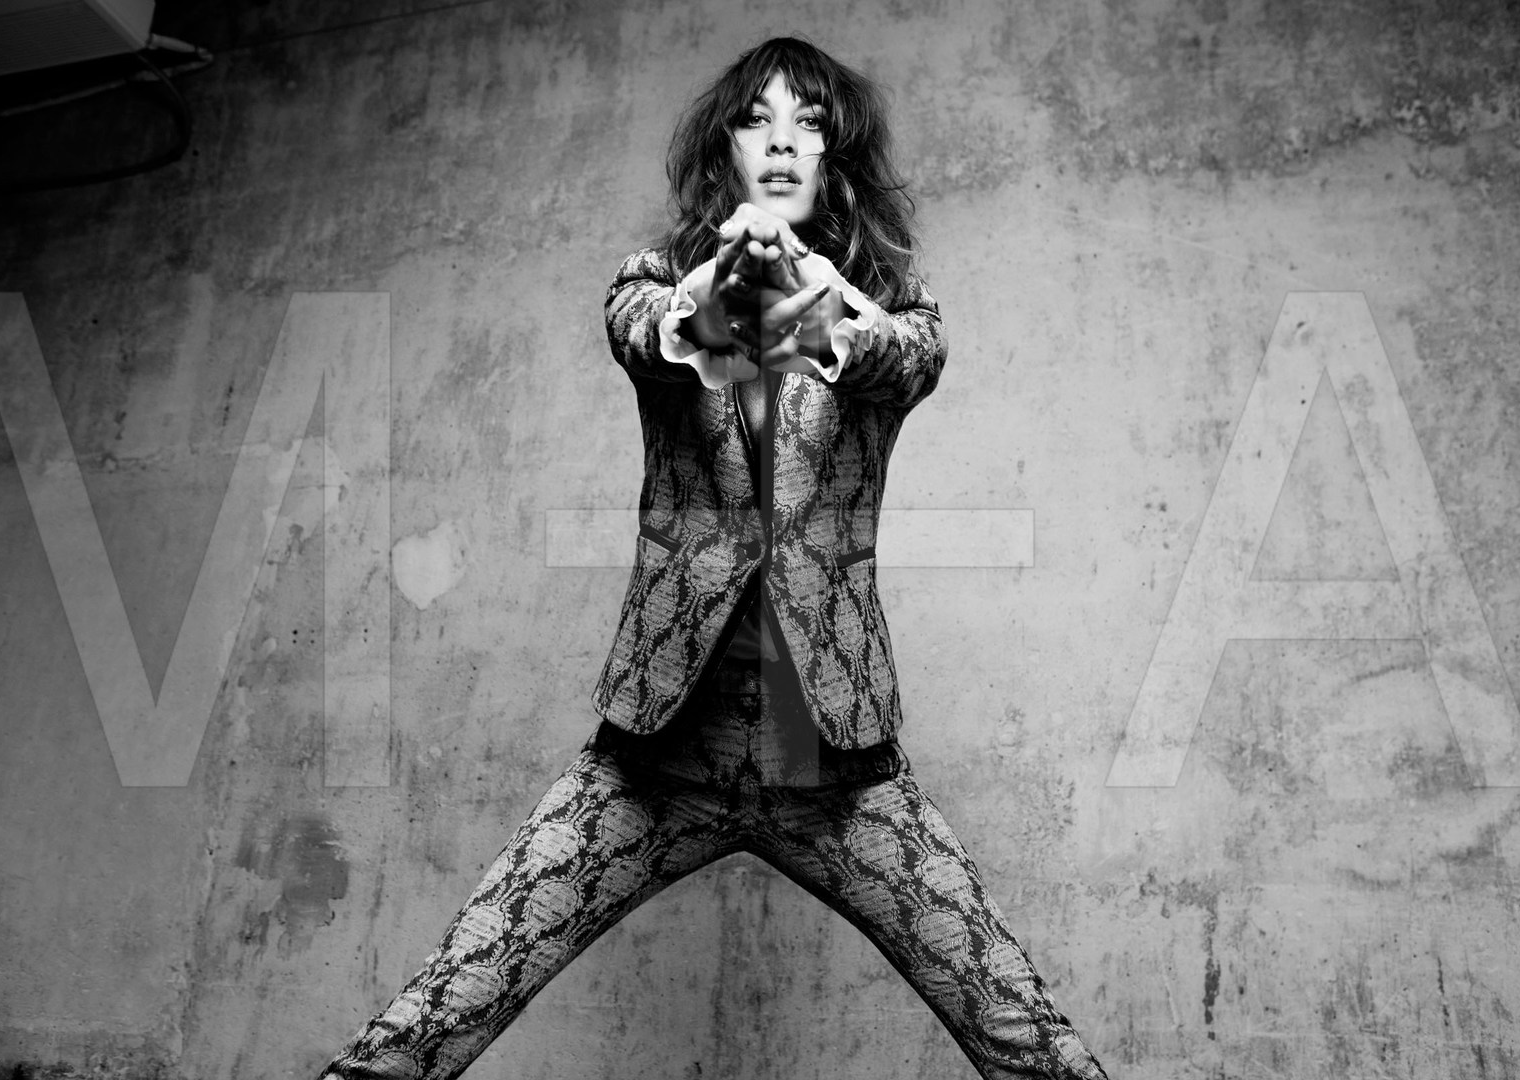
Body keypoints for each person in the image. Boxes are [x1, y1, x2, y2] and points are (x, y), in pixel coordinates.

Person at [316, 36, 1111, 1080]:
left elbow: (897, 358)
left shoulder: (897, 309)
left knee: (1031, 1046)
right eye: (756, 120)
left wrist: (816, 291)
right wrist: (720, 284)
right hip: (653, 766)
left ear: (834, 155)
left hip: (836, 773)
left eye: (808, 124)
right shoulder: (653, 284)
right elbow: (650, 332)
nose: (780, 143)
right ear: (722, 149)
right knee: (427, 1023)